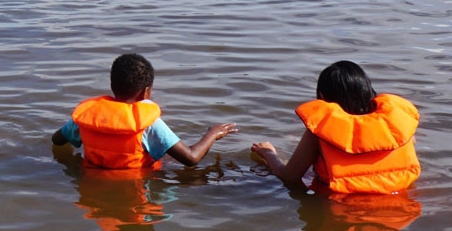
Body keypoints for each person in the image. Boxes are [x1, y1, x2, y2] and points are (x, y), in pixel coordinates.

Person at [252, 60, 421, 194]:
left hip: (341, 206)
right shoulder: (399, 128)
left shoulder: (320, 133)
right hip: (399, 204)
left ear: (322, 97)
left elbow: (290, 177)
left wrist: (268, 154)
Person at [52, 53, 238, 170]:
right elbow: (191, 158)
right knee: (194, 174)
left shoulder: (87, 118)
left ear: (111, 85)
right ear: (145, 91)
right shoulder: (149, 123)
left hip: (94, 179)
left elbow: (57, 140)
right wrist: (212, 134)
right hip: (139, 183)